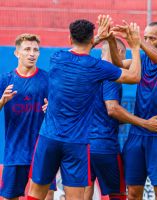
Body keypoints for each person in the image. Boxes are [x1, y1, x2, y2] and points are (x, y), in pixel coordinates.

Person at [27, 15, 142, 200]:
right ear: (91, 39)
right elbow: (135, 76)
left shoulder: (57, 58)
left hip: (49, 137)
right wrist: (135, 47)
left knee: (35, 194)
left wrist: (97, 39)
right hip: (76, 143)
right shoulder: (99, 67)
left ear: (70, 39)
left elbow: (81, 49)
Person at [84, 38, 157, 200]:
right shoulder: (111, 73)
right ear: (121, 53)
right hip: (104, 146)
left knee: (84, 193)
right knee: (119, 194)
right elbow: (112, 109)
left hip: (82, 145)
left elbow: (98, 111)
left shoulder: (89, 71)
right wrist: (144, 123)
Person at [110, 21, 157, 200]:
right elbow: (118, 64)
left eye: (153, 38)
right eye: (146, 37)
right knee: (133, 193)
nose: (148, 41)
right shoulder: (142, 60)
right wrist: (111, 40)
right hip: (136, 135)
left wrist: (137, 42)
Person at [0, 33, 56, 200]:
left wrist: (51, 109)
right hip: (14, 152)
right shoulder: (6, 79)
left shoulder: (47, 79)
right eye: (27, 49)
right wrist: (2, 101)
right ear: (17, 53)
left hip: (42, 150)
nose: (32, 53)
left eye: (35, 50)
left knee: (48, 195)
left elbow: (59, 111)